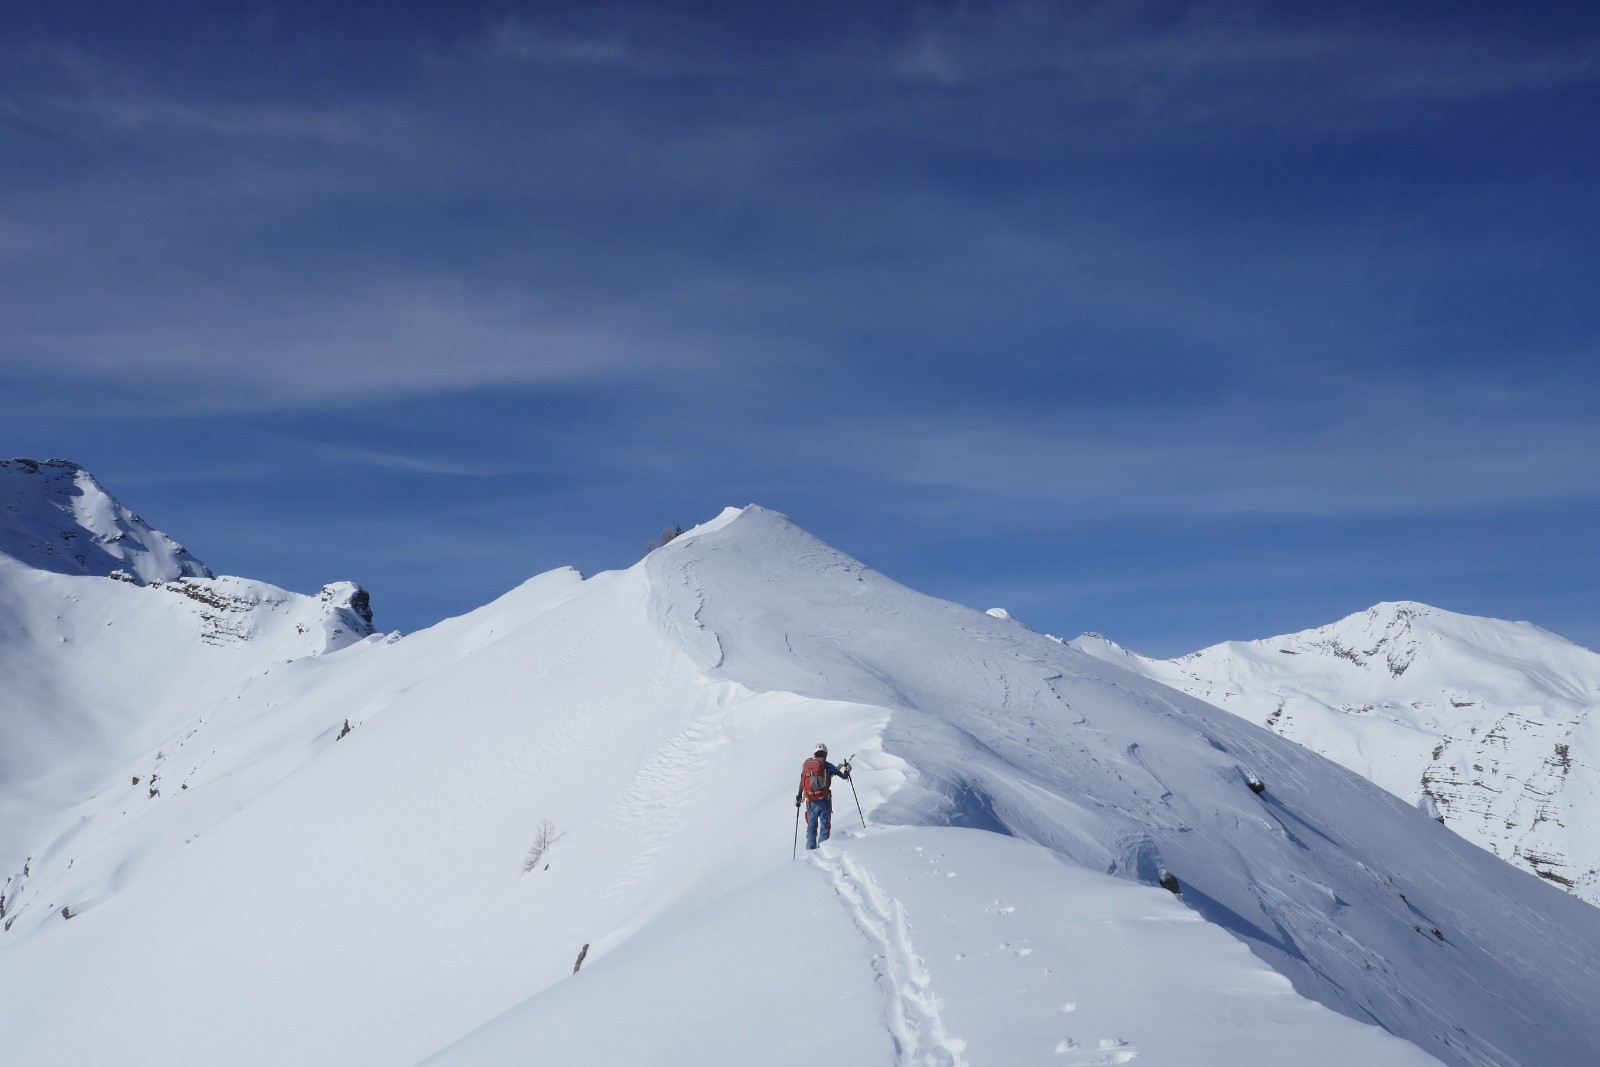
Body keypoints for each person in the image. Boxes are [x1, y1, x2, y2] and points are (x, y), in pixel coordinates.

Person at [795, 742, 851, 850]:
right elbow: (844, 776)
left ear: (815, 754)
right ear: (826, 754)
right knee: (824, 828)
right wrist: (847, 770)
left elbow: (802, 782)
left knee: (811, 828)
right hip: (824, 801)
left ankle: (810, 852)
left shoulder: (807, 765)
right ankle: (822, 852)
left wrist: (798, 796)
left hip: (810, 802)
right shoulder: (828, 766)